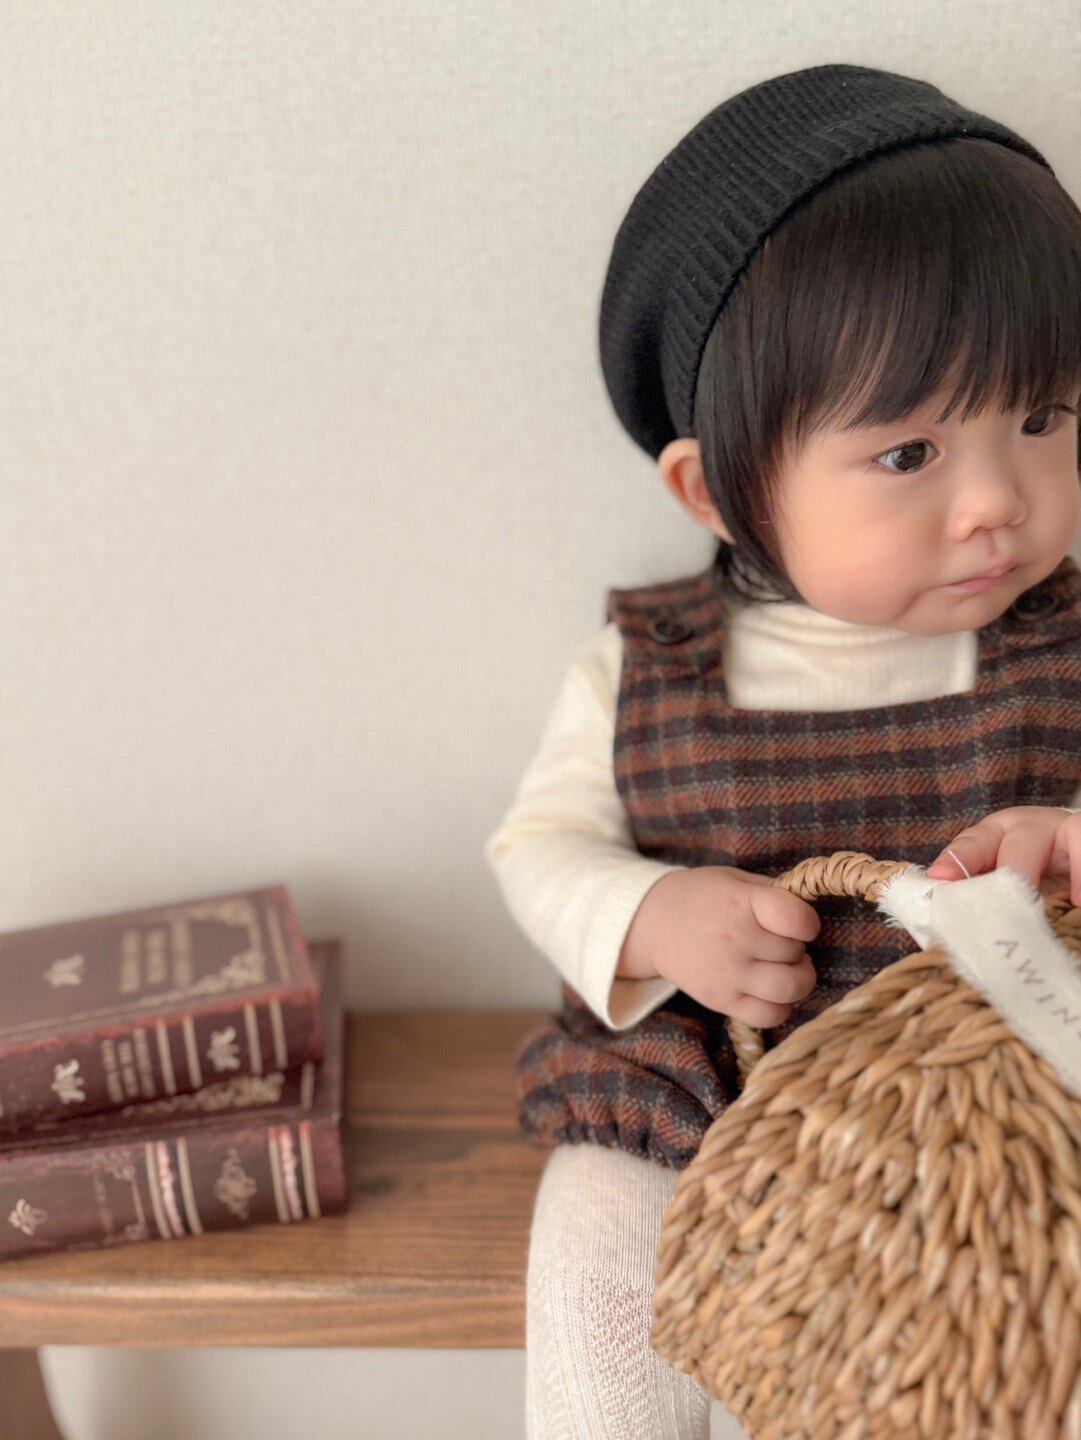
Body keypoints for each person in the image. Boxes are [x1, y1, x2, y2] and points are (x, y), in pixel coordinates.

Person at [482, 63, 1081, 1440]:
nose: (997, 502)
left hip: (1002, 1110)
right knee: (598, 1279)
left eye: (1042, 419)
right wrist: (654, 916)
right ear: (717, 490)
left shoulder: (1064, 641)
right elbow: (538, 847)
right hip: (696, 1096)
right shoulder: (648, 666)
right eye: (908, 454)